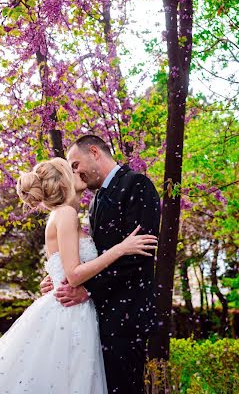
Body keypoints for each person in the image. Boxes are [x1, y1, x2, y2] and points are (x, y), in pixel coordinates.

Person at [0, 157, 158, 394]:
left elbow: (63, 265)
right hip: (70, 313)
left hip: (73, 308)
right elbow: (74, 276)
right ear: (64, 180)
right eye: (72, 169)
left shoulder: (63, 214)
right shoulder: (65, 214)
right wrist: (121, 248)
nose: (78, 172)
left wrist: (53, 278)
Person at [40, 135, 161, 394]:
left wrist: (88, 289)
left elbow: (138, 253)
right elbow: (93, 257)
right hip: (98, 317)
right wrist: (57, 275)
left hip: (127, 315)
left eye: (76, 164)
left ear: (94, 152)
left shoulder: (136, 185)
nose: (75, 172)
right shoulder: (95, 202)